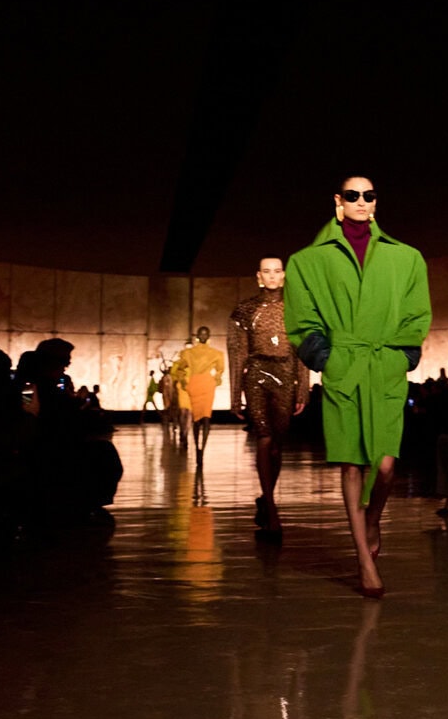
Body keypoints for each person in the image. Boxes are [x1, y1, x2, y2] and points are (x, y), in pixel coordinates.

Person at [285, 175, 431, 599]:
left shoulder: (407, 257)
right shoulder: (307, 261)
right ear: (338, 201)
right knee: (351, 464)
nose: (362, 201)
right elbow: (302, 319)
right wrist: (327, 359)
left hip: (384, 367)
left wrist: (402, 357)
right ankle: (364, 560)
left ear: (376, 201)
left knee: (385, 465)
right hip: (345, 369)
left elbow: (417, 314)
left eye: (369, 195)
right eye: (353, 195)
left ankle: (372, 519)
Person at [230, 255, 306, 540]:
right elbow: (238, 353)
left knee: (276, 445)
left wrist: (303, 388)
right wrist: (235, 394)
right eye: (266, 271)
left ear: (283, 276)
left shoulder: (296, 310)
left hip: (285, 374)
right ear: (258, 276)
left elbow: (302, 350)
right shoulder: (245, 310)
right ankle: (272, 509)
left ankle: (266, 498)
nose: (272, 276)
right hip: (257, 374)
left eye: (277, 271)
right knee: (263, 436)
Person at [170, 329, 227, 464]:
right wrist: (182, 380)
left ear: (209, 336)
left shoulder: (216, 353)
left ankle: (202, 450)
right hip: (195, 384)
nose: (203, 336)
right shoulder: (188, 353)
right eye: (201, 333)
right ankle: (197, 448)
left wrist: (216, 378)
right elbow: (180, 368)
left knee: (206, 417)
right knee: (196, 419)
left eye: (205, 333)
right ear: (197, 336)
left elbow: (220, 369)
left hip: (207, 384)